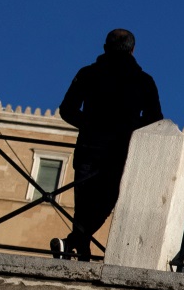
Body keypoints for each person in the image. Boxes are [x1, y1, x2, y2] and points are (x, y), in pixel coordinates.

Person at [54, 28, 163, 261]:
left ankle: (73, 246)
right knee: (107, 201)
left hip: (89, 147)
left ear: (105, 48)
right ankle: (76, 249)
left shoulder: (87, 74)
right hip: (119, 151)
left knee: (82, 205)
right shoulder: (143, 81)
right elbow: (155, 119)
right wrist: (129, 128)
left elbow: (67, 110)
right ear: (133, 50)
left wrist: (90, 125)